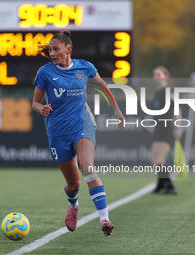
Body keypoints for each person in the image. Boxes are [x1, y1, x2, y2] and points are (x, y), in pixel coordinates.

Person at [32, 30, 125, 236]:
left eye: (56, 49)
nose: (52, 53)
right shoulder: (45, 72)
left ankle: (104, 219)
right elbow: (35, 102)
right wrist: (42, 109)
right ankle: (73, 206)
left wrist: (117, 110)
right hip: (57, 132)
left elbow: (102, 86)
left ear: (68, 49)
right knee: (73, 184)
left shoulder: (85, 67)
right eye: (50, 50)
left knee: (88, 168)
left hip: (83, 126)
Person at [150, 66, 182, 194]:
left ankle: (170, 186)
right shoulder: (158, 92)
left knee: (159, 158)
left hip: (167, 128)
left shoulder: (168, 91)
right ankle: (160, 184)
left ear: (165, 76)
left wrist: (177, 126)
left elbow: (177, 109)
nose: (156, 76)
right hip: (158, 128)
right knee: (154, 159)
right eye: (154, 74)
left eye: (159, 74)